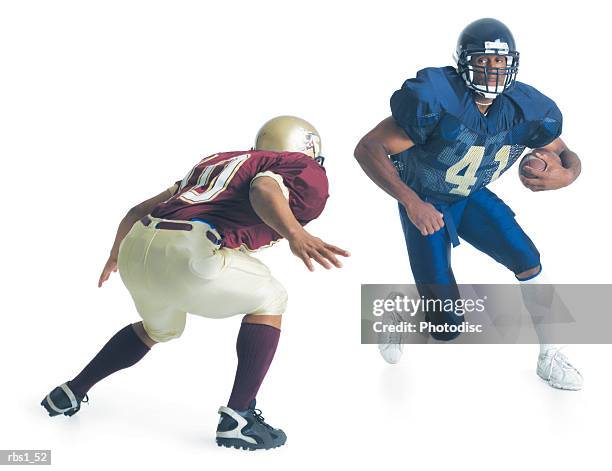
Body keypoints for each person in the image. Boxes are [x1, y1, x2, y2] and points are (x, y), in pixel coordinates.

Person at [41, 115, 350, 450]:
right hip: (188, 250)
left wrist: (117, 255)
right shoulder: (298, 168)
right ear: (308, 149)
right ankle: (240, 417)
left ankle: (72, 391)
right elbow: (264, 186)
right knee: (272, 298)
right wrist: (296, 233)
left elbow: (137, 209)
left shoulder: (218, 162)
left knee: (160, 329)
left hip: (137, 245)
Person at [354, 18, 583, 390]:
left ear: (513, 64)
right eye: (483, 61)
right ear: (464, 62)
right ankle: (400, 310)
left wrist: (567, 175)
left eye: (499, 62)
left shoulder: (527, 108)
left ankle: (550, 354)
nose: (492, 71)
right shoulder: (436, 98)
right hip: (426, 197)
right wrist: (411, 202)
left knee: (528, 260)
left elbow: (564, 151)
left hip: (471, 195)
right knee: (446, 327)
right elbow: (368, 148)